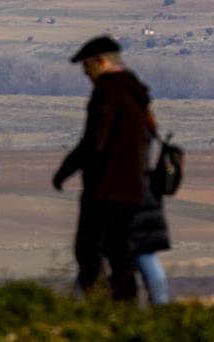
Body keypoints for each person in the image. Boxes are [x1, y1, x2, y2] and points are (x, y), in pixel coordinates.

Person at [52, 35, 153, 301]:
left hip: (105, 186)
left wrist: (65, 170)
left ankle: (97, 302)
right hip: (132, 186)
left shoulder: (107, 91)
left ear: (101, 61)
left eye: (87, 67)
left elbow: (94, 139)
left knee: (88, 249)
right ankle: (124, 304)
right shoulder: (135, 90)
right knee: (119, 250)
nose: (86, 74)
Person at [130, 134, 172, 305]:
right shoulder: (144, 118)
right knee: (146, 256)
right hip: (145, 196)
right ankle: (159, 305)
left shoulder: (120, 117)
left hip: (124, 197)